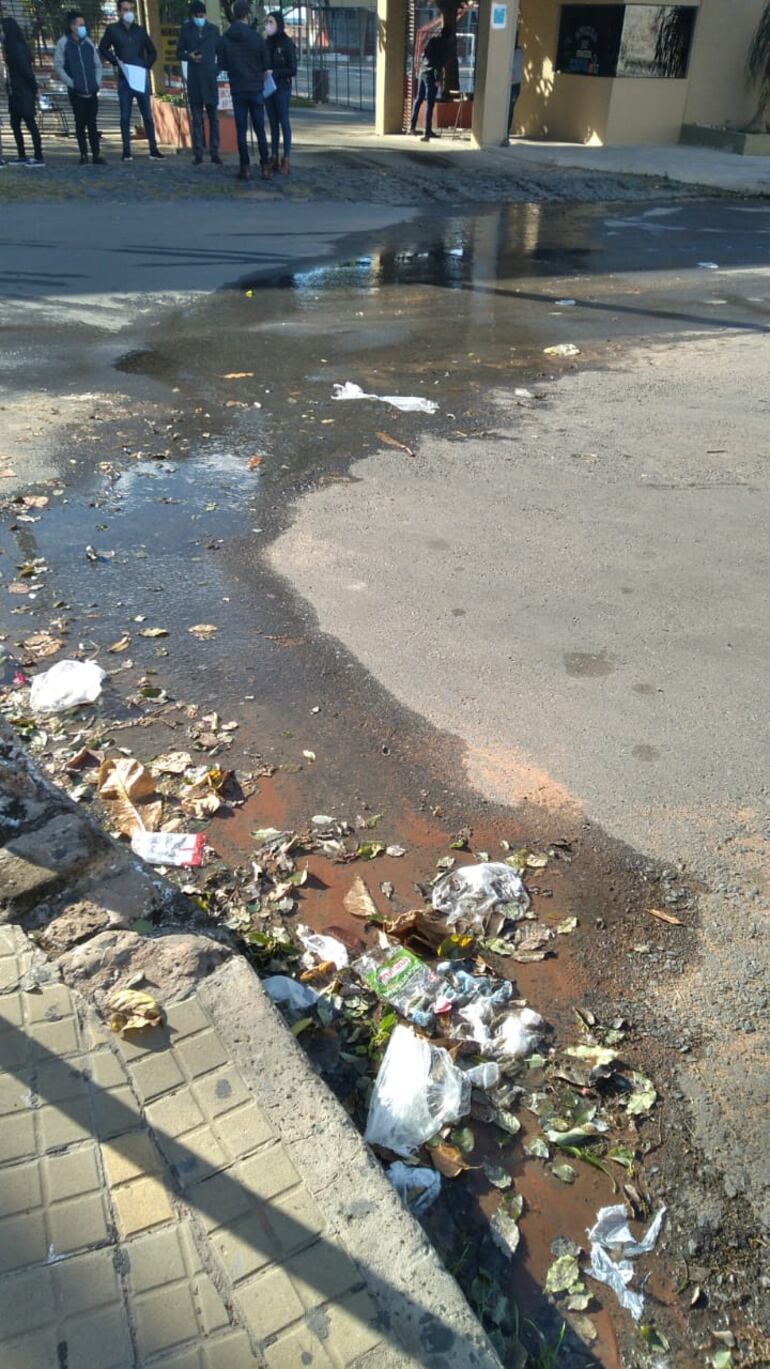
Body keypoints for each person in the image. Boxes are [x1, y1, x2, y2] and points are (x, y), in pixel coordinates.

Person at [99, 0, 163, 161]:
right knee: (125, 116)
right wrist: (115, 61)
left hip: (140, 77)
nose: (129, 12)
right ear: (119, 12)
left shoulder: (140, 31)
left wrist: (145, 67)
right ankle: (126, 150)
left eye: (130, 9)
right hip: (124, 78)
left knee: (147, 115)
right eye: (125, 9)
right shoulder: (113, 30)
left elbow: (153, 52)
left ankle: (153, 149)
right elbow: (103, 48)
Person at [217, 0, 270, 182]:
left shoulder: (226, 37)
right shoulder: (256, 38)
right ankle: (265, 166)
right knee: (260, 129)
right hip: (255, 88)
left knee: (240, 130)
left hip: (238, 88)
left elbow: (222, 64)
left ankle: (245, 167)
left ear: (234, 15)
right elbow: (266, 63)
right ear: (247, 15)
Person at [54, 10, 105, 165]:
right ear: (72, 26)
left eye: (84, 24)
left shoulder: (88, 42)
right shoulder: (63, 43)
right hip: (76, 92)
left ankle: (96, 154)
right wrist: (72, 83)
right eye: (80, 24)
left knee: (92, 123)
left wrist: (97, 82)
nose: (83, 27)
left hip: (91, 90)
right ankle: (83, 154)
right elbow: (59, 67)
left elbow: (97, 64)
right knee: (80, 123)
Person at [177, 0, 221, 166]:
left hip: (210, 79)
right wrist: (189, 56)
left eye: (202, 15)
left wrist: (216, 70)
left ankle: (215, 152)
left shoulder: (213, 30)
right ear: (193, 16)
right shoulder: (186, 29)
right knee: (196, 120)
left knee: (213, 118)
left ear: (205, 15)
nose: (199, 18)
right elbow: (179, 52)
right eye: (197, 16)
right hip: (195, 79)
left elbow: (221, 53)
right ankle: (198, 153)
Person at [1, 17, 44, 165]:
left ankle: (38, 156)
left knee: (30, 123)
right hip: (15, 92)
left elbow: (27, 72)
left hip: (23, 92)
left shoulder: (17, 49)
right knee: (15, 124)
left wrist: (35, 89)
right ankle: (22, 154)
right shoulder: (10, 48)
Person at [264, 10, 296, 175]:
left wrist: (275, 72)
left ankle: (286, 158)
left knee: (283, 120)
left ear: (278, 24)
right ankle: (274, 156)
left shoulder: (287, 43)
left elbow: (292, 69)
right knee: (273, 122)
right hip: (268, 87)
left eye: (271, 22)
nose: (268, 26)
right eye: (267, 22)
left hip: (282, 87)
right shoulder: (266, 43)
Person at [409, 29, 445, 143]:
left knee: (419, 99)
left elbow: (424, 55)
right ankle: (427, 132)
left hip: (423, 72)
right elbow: (439, 63)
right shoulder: (443, 45)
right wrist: (438, 79)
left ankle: (412, 127)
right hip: (431, 75)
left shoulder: (431, 41)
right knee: (430, 103)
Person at [505, 36, 523, 145]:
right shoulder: (508, 52)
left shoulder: (519, 52)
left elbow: (514, 67)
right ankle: (504, 131)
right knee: (506, 109)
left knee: (510, 108)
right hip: (507, 84)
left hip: (515, 84)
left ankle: (506, 131)